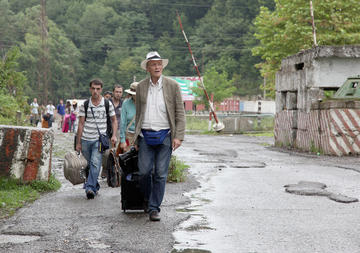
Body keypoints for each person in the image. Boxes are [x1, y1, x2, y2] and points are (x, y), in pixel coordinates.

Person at [134, 51, 186, 221]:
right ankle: (148, 200)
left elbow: (180, 112)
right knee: (143, 172)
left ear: (162, 66)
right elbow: (138, 114)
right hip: (145, 135)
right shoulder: (141, 86)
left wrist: (178, 136)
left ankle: (154, 208)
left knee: (161, 174)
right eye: (153, 64)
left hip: (165, 135)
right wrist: (134, 137)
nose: (157, 67)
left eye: (159, 64)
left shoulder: (172, 85)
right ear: (147, 68)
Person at [76, 79, 117, 199]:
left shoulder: (107, 104)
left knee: (95, 163)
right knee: (89, 164)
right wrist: (78, 142)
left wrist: (114, 135)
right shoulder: (85, 104)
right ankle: (95, 185)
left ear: (101, 90)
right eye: (93, 88)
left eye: (98, 89)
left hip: (99, 140)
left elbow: (114, 121)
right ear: (90, 89)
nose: (95, 91)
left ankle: (90, 188)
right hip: (85, 139)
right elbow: (81, 124)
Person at [120, 82, 138, 152]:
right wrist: (122, 140)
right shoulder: (126, 103)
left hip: (141, 136)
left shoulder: (144, 103)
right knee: (128, 158)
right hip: (129, 135)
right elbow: (122, 122)